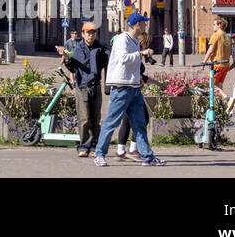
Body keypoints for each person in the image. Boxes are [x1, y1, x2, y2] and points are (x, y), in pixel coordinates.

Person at [93, 13, 164, 167]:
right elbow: (123, 59)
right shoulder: (122, 39)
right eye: (143, 23)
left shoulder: (134, 41)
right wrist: (141, 53)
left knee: (139, 123)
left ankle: (147, 156)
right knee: (112, 121)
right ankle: (99, 154)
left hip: (133, 87)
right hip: (121, 86)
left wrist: (138, 76)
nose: (145, 26)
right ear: (136, 24)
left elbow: (134, 64)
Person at [59, 22, 108, 158]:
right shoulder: (77, 49)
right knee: (84, 119)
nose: (90, 35)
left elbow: (108, 65)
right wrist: (67, 59)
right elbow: (72, 68)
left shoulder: (101, 49)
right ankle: (84, 146)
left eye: (93, 32)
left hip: (96, 87)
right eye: (88, 32)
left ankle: (94, 145)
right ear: (83, 34)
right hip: (82, 87)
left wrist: (108, 86)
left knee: (96, 118)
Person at [113, 27, 155, 159]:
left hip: (134, 89)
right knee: (133, 118)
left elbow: (140, 73)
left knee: (134, 118)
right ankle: (126, 149)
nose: (147, 47)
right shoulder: (134, 54)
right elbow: (132, 70)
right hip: (128, 88)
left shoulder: (137, 54)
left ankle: (127, 148)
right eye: (146, 44)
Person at [203, 18, 233, 88]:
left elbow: (210, 50)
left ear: (219, 25)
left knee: (211, 85)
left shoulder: (216, 35)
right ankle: (221, 99)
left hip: (217, 65)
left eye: (214, 24)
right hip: (226, 65)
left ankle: (225, 97)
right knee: (219, 85)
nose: (213, 26)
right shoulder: (228, 37)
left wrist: (204, 62)